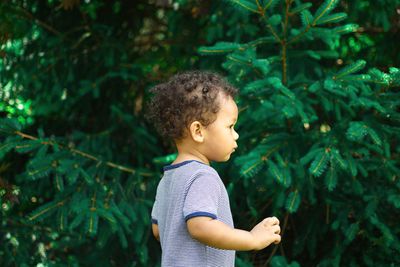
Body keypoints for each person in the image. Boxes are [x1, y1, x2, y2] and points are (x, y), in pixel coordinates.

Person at [146, 71, 281, 267]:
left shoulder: (169, 178)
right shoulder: (202, 176)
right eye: (230, 127)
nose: (236, 136)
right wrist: (252, 238)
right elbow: (200, 226)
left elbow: (157, 230)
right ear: (198, 131)